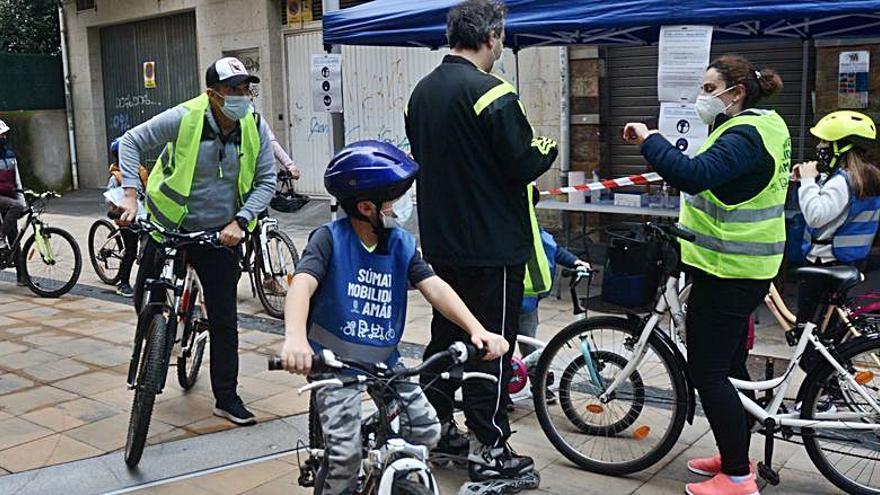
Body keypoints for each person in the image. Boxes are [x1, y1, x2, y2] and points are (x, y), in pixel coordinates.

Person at [278, 140, 508, 495]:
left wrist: (477, 330)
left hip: (386, 361)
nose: (399, 208)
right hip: (333, 365)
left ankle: (381, 452)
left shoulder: (400, 243)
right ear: (367, 207)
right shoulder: (328, 240)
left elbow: (435, 287)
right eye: (393, 202)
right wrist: (294, 337)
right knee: (344, 456)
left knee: (426, 430)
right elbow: (301, 286)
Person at [405, 0, 558, 484]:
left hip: (442, 243)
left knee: (446, 338)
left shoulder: (421, 93)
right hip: (493, 246)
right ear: (491, 37)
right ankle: (490, 446)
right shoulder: (492, 92)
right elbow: (521, 161)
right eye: (503, 36)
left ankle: (436, 427)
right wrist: (547, 149)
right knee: (491, 344)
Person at [624, 54, 790, 495]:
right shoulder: (768, 125)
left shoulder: (743, 135)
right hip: (743, 266)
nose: (702, 97)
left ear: (735, 94)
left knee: (708, 370)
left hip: (729, 270)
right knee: (731, 366)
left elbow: (693, 176)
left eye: (709, 88)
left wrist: (651, 138)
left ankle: (737, 477)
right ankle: (734, 452)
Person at [116, 57, 276, 425]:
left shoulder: (253, 124)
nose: (242, 97)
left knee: (224, 319)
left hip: (219, 231)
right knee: (144, 294)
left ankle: (227, 397)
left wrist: (241, 220)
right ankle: (156, 341)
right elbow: (130, 141)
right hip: (168, 224)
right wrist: (130, 193)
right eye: (233, 90)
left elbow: (266, 180)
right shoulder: (185, 116)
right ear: (213, 94)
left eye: (246, 90)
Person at [793, 110, 880, 324]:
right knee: (827, 329)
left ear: (841, 147)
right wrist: (813, 179)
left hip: (825, 262)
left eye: (825, 142)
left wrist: (807, 183)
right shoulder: (865, 176)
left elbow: (816, 216)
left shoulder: (842, 181)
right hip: (848, 260)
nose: (820, 147)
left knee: (808, 329)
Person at [515, 184, 590, 403]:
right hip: (507, 296)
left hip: (528, 298)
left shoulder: (534, 227)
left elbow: (553, 249)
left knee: (528, 344)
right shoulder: (503, 226)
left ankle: (538, 384)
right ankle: (500, 390)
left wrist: (575, 261)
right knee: (502, 345)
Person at [105, 137, 148, 297]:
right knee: (130, 251)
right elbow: (110, 199)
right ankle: (123, 283)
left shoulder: (140, 172)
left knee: (147, 249)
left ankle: (143, 281)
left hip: (142, 216)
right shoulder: (115, 178)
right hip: (126, 218)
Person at [0, 120, 27, 286]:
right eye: (0, 134)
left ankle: (22, 276)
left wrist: (22, 198)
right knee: (15, 207)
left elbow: (17, 180)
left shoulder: (9, 154)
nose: (3, 137)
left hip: (8, 198)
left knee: (15, 236)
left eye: (4, 134)